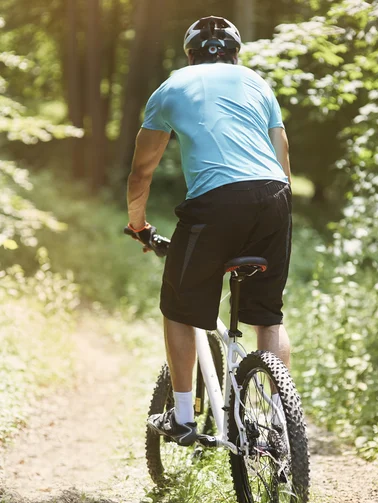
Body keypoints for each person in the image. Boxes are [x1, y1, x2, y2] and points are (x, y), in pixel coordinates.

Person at [126, 16, 292, 447]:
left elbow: (142, 171)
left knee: (179, 309)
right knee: (268, 317)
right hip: (276, 198)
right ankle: (279, 424)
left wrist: (138, 223)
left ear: (190, 53)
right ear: (236, 53)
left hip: (215, 204)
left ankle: (182, 419)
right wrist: (282, 209)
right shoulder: (257, 82)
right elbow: (282, 151)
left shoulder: (172, 88)